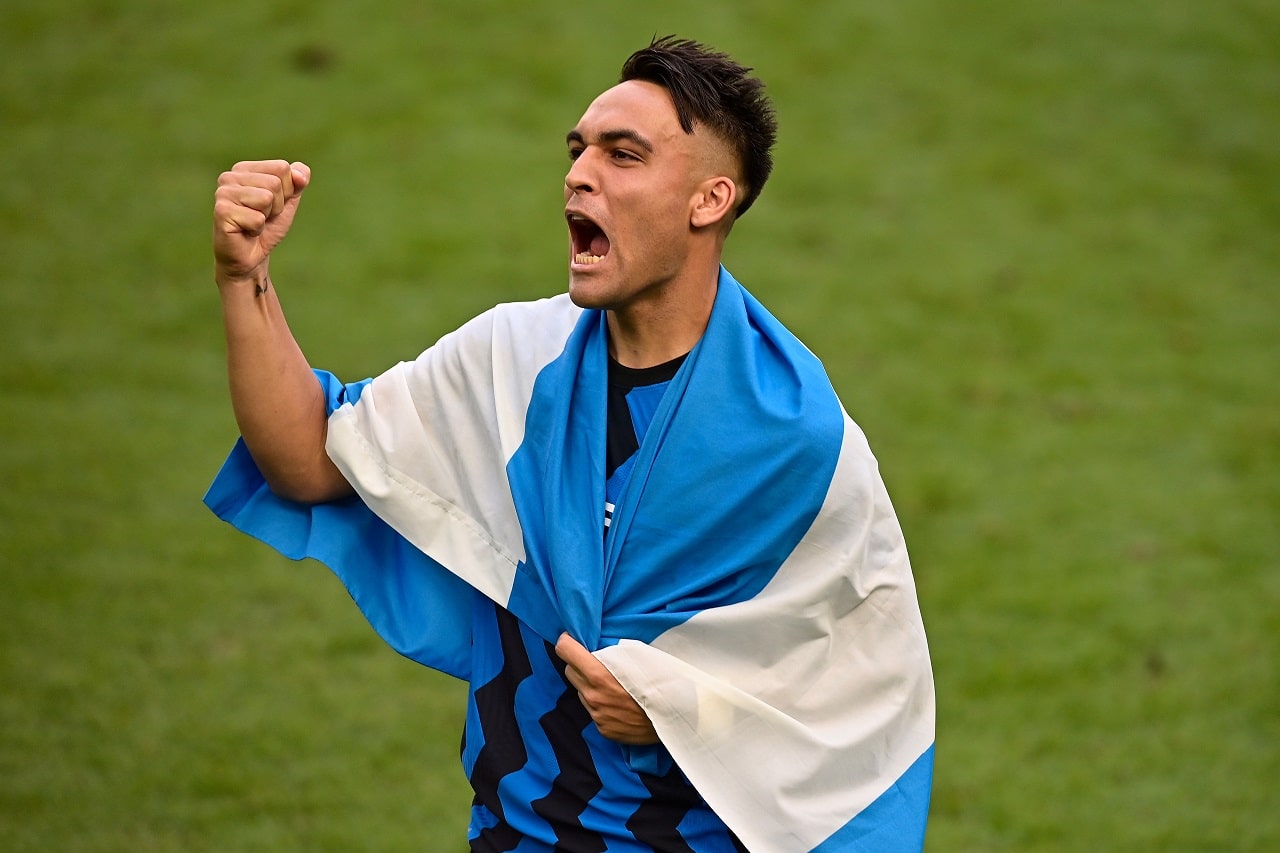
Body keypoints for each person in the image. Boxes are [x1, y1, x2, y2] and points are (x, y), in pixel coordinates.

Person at [206, 36, 935, 852]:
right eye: (578, 149)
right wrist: (245, 277)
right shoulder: (511, 363)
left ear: (709, 200)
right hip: (513, 834)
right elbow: (308, 458)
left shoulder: (799, 441)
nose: (580, 174)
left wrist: (675, 709)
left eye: (623, 155)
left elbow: (847, 702)